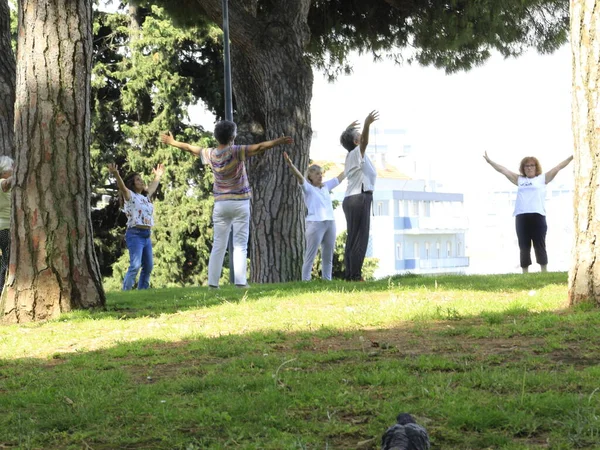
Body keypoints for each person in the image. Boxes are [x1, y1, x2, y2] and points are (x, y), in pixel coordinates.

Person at [160, 122, 293, 289]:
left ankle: (212, 285)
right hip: (240, 202)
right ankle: (240, 283)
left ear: (216, 137)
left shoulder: (211, 154)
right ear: (232, 137)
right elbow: (259, 147)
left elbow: (189, 148)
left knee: (218, 245)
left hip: (221, 204)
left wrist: (173, 142)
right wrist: (277, 142)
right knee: (240, 244)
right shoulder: (236, 151)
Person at [483, 152, 573, 273]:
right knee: (524, 245)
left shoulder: (542, 179)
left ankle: (544, 271)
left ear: (536, 167)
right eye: (526, 166)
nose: (529, 168)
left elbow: (558, 167)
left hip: (538, 215)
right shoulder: (519, 179)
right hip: (522, 216)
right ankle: (525, 272)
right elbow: (503, 170)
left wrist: (572, 156)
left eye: (532, 165)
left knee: (539, 244)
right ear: (523, 168)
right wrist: (490, 161)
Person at [283, 152, 345, 281]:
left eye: (321, 173)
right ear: (310, 176)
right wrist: (291, 165)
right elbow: (299, 177)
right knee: (310, 256)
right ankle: (306, 281)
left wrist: (352, 163)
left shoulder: (326, 187)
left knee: (328, 256)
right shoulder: (308, 188)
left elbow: (340, 177)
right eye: (317, 173)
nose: (320, 176)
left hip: (330, 223)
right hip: (315, 224)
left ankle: (327, 280)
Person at [107, 162, 165, 290]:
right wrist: (116, 174)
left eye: (140, 179)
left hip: (146, 235)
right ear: (132, 184)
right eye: (137, 180)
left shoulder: (145, 197)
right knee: (135, 265)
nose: (141, 181)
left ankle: (143, 291)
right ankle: (126, 291)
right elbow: (122, 187)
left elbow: (153, 187)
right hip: (135, 234)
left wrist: (158, 176)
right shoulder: (130, 196)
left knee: (148, 266)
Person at [339, 110, 379, 281]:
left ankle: (350, 275)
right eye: (359, 135)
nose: (362, 135)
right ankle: (355, 276)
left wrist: (348, 130)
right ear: (356, 141)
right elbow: (364, 142)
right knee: (360, 239)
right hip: (359, 198)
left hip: (352, 199)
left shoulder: (352, 154)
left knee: (353, 238)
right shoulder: (356, 153)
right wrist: (367, 123)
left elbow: (348, 141)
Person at [0, 156, 13, 293]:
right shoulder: (2, 182)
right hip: (5, 229)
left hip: (3, 228)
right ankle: (1, 290)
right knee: (6, 261)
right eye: (11, 168)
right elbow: (7, 183)